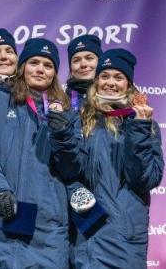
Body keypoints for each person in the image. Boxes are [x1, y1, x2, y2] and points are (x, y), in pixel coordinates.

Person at [0, 38, 77, 269]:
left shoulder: (67, 116)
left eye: (48, 65)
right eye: (34, 62)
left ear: (55, 73)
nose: (40, 69)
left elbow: (72, 169)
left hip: (47, 231)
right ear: (22, 66)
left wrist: (62, 133)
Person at [50, 49, 164, 268]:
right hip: (86, 232)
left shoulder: (146, 125)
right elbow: (69, 170)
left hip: (125, 237)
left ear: (129, 84)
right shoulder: (81, 119)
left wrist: (139, 128)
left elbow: (144, 179)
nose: (110, 82)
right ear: (96, 80)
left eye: (118, 77)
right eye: (105, 76)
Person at [64, 34, 103, 214]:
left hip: (107, 187)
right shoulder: (61, 99)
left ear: (100, 61)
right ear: (71, 67)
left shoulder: (118, 98)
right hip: (72, 193)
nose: (83, 64)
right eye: (76, 60)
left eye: (89, 58)